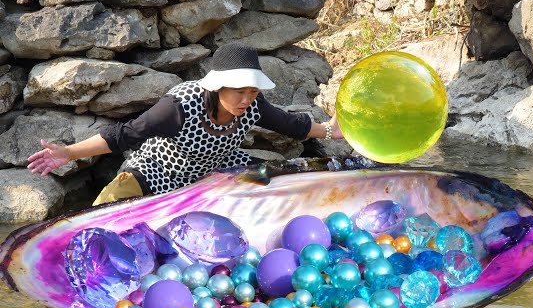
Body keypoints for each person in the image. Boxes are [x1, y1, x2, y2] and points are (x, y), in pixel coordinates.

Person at [27, 43, 344, 205]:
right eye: (239, 91)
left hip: (215, 171)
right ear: (219, 87)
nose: (247, 98)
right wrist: (69, 153)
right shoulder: (179, 107)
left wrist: (331, 130)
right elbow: (123, 135)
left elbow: (291, 125)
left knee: (277, 181)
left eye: (252, 91)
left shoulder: (253, 104)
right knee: (110, 204)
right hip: (159, 171)